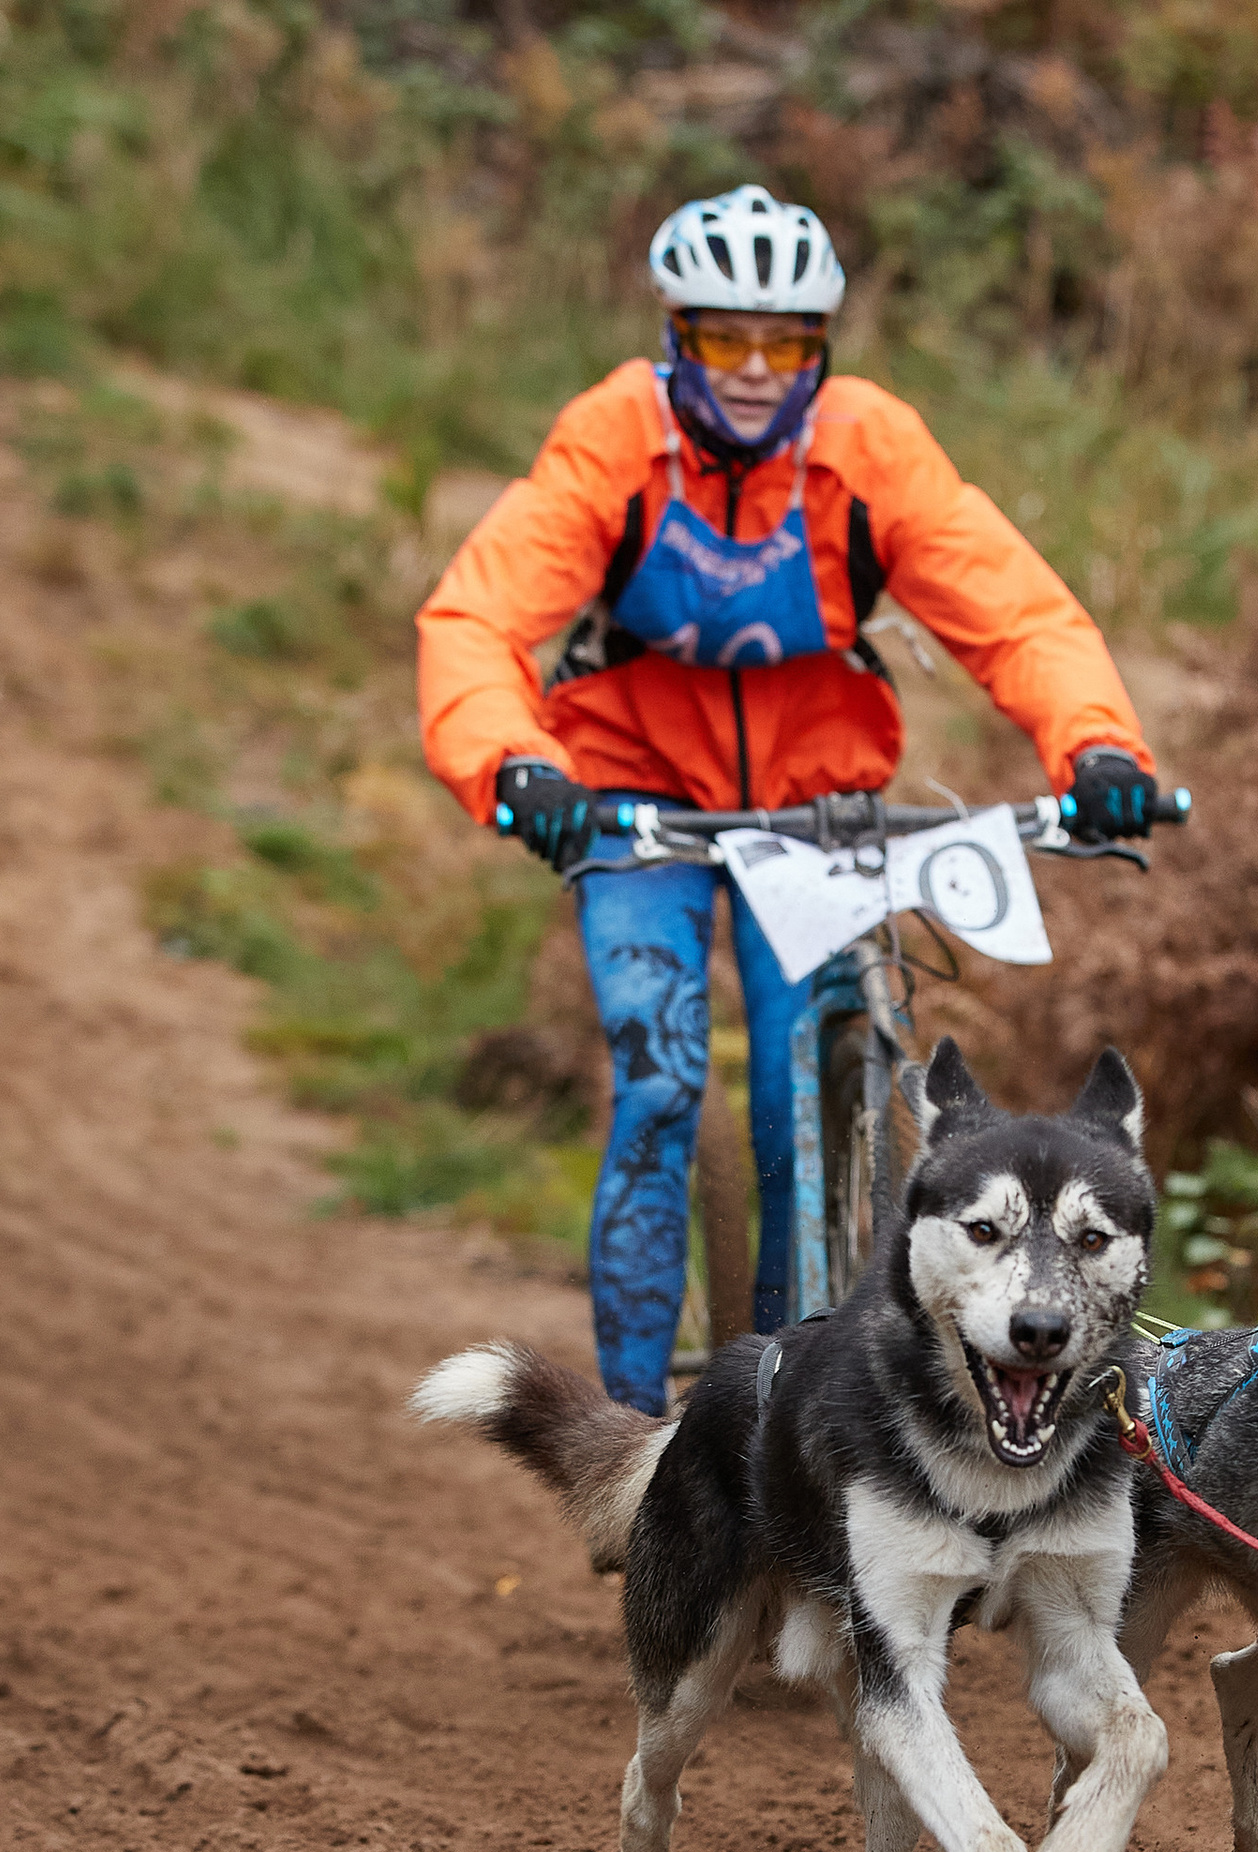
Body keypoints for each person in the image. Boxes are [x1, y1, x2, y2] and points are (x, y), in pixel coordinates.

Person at [416, 184, 1161, 1416]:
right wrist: (515, 767)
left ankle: (785, 1409)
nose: (756, 369)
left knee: (808, 1098)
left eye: (786, 343)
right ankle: (635, 1436)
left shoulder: (868, 447)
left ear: (821, 348)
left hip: (816, 817)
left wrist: (1095, 747)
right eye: (722, 338)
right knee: (658, 1081)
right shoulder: (615, 438)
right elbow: (477, 618)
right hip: (629, 808)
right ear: (673, 332)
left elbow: (1014, 609)